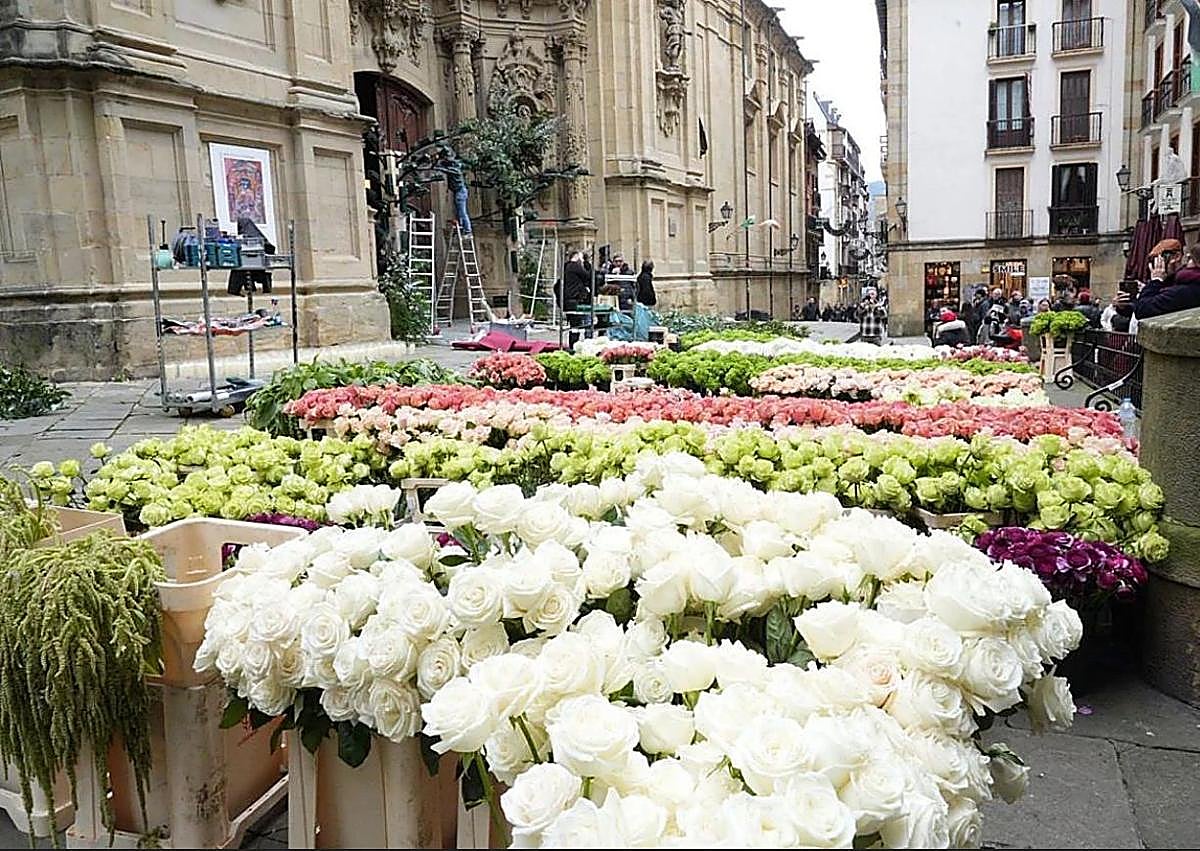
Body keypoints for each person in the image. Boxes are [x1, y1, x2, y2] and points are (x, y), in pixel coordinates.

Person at [1122, 238, 1200, 321]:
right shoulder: (1176, 282)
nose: (1157, 264)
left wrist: (1155, 281)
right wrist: (1123, 307)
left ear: (1177, 256)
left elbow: (1143, 309)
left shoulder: (1186, 288)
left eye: (1161, 258)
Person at [438, 146, 471, 235]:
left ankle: (467, 231)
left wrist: (438, 167)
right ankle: (461, 227)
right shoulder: (453, 164)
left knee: (462, 212)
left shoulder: (455, 168)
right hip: (459, 191)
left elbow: (445, 169)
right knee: (459, 211)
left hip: (460, 191)